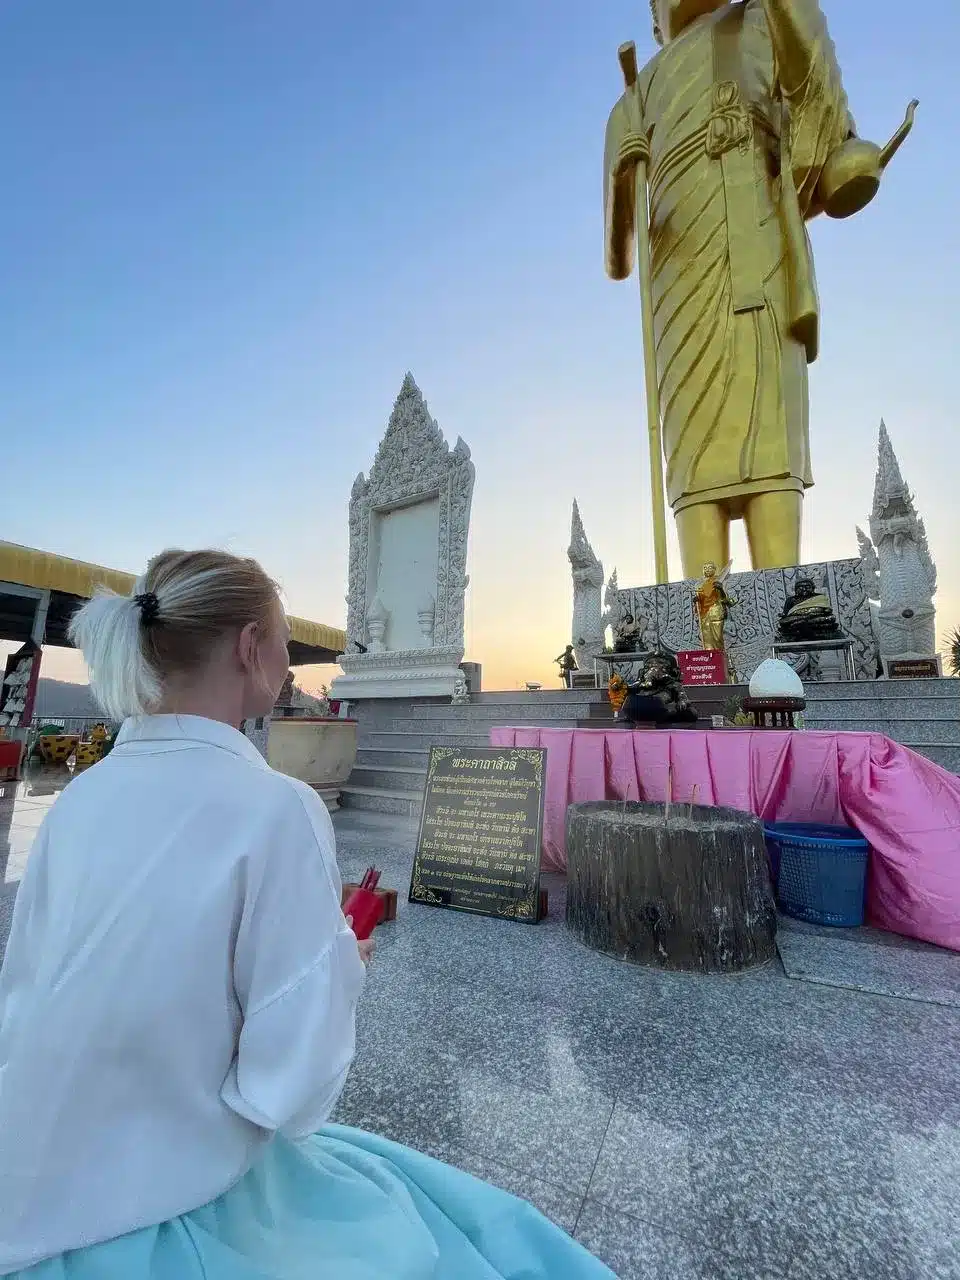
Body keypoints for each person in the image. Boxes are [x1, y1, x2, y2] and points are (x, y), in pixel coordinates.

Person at [0, 549, 613, 1279]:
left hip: (30, 1155)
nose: (292, 659)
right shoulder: (276, 807)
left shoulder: (81, 798)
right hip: (162, 1185)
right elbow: (280, 1091)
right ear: (249, 647)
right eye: (284, 637)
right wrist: (337, 974)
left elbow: (33, 984)